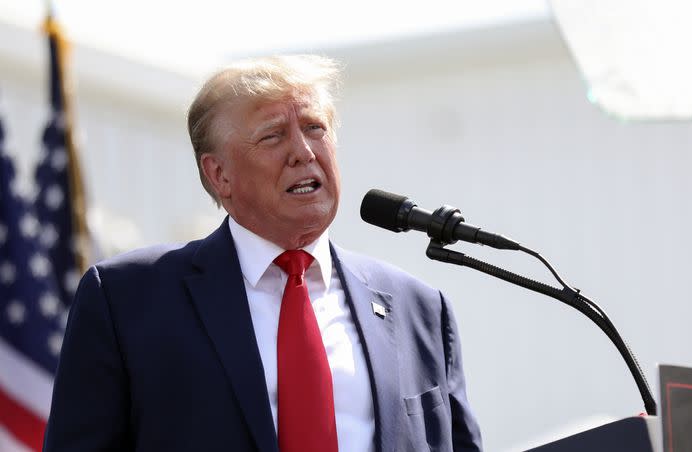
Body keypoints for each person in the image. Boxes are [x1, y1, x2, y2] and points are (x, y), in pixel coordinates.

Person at [44, 55, 482, 452]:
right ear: (219, 175)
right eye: (273, 137)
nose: (304, 152)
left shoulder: (418, 308)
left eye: (315, 128)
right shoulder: (127, 300)